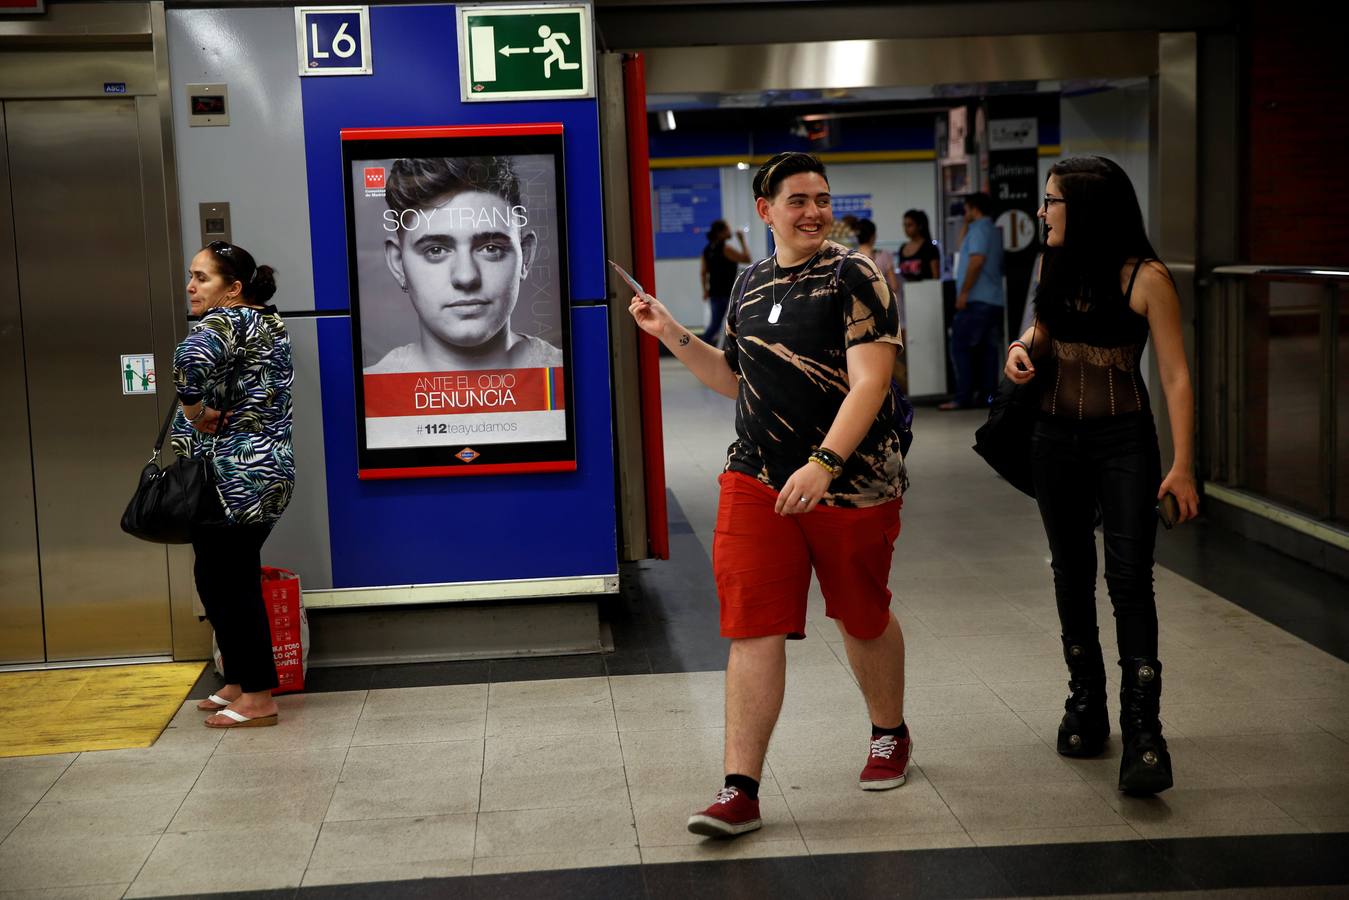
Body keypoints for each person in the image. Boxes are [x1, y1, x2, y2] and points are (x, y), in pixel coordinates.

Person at [627, 152, 910, 838]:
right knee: (752, 626)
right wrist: (671, 335)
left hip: (850, 482)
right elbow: (733, 379)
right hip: (754, 475)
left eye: (821, 198)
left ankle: (888, 731)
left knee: (860, 614)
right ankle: (739, 790)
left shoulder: (855, 274)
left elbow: (871, 381)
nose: (813, 211)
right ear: (765, 211)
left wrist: (822, 463)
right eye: (797, 200)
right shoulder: (749, 281)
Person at [1004, 156, 1199, 795]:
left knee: (1128, 578)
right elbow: (1045, 330)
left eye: (1052, 200)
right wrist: (1021, 349)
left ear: (1083, 207)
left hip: (1124, 442)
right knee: (1070, 571)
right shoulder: (1051, 263)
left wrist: (1183, 467)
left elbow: (1173, 375)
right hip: (1052, 438)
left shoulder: (1146, 277)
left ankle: (1144, 731)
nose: (1042, 211)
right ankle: (1085, 703)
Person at [174, 241, 295, 729]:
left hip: (236, 477)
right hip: (259, 474)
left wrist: (193, 410)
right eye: (192, 275)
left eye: (203, 277)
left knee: (232, 582)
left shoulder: (227, 321)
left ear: (234, 288)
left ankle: (260, 695)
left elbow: (190, 358)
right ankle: (239, 681)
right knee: (217, 576)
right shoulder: (266, 321)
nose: (191, 285)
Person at [366, 156, 562, 374]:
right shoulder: (371, 393)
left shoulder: (569, 374)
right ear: (398, 263)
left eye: (490, 248)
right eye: (436, 250)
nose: (466, 277)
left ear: (525, 256)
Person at [940, 192, 1005, 410]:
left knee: (960, 347)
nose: (964, 214)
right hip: (994, 299)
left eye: (966, 209)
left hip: (977, 299)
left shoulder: (978, 229)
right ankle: (987, 396)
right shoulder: (995, 230)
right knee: (988, 352)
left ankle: (962, 396)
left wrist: (964, 293)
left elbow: (976, 261)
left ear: (974, 209)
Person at [701, 220, 750, 345]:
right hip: (727, 293)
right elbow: (746, 259)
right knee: (731, 322)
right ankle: (701, 347)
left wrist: (705, 290)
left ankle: (704, 346)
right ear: (720, 233)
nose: (730, 231)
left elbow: (703, 272)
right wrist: (742, 240)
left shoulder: (707, 250)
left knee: (715, 324)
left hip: (714, 292)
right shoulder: (725, 249)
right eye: (727, 229)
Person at [897, 209, 940, 281]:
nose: (906, 229)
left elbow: (936, 276)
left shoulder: (929, 247)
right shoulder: (902, 248)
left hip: (926, 290)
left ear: (919, 226)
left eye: (910, 225)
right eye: (904, 225)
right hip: (907, 290)